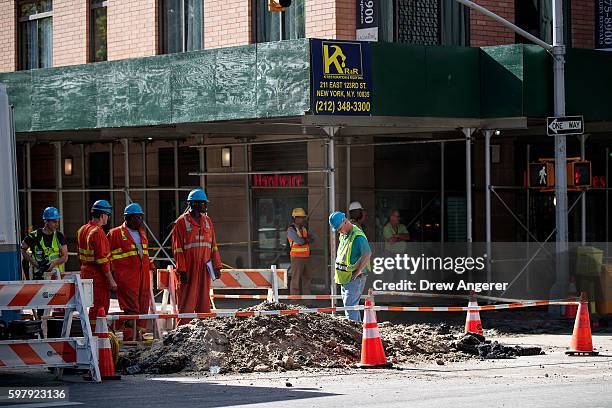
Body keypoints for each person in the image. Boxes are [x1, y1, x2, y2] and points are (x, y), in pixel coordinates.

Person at [172, 188, 222, 324]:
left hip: (205, 268)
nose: (205, 206)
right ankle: (183, 330)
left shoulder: (208, 221)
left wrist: (217, 266)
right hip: (189, 268)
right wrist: (181, 270)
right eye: (203, 203)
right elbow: (178, 249)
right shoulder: (181, 223)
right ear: (193, 204)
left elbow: (214, 245)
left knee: (203, 301)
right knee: (187, 300)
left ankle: (203, 328)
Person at [107, 203, 154, 339]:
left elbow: (141, 253)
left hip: (142, 276)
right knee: (131, 308)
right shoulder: (114, 234)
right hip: (126, 278)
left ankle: (138, 334)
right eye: (137, 217)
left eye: (141, 217)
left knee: (143, 306)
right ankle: (129, 336)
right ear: (128, 218)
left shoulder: (142, 233)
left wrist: (148, 263)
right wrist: (110, 277)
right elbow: (104, 255)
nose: (140, 220)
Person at [77, 200, 117, 327]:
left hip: (85, 272)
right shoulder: (98, 232)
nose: (108, 218)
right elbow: (102, 261)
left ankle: (91, 333)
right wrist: (111, 280)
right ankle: (98, 336)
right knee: (100, 306)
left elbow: (80, 254)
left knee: (91, 306)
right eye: (107, 215)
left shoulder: (82, 230)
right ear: (102, 215)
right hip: (97, 275)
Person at [329, 211, 371, 322]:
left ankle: (355, 334)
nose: (338, 231)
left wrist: (357, 272)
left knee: (350, 306)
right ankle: (359, 332)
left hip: (355, 277)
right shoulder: (344, 234)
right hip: (346, 277)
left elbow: (367, 253)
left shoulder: (357, 236)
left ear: (345, 221)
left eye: (339, 228)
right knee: (351, 306)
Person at [21, 207, 68, 280]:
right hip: (39, 277)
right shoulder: (34, 236)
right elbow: (22, 250)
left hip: (56, 277)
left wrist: (54, 263)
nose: (57, 224)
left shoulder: (59, 236)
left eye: (57, 221)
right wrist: (33, 262)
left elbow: (65, 257)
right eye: (54, 222)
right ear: (46, 221)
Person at [287, 208, 315, 295]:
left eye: (303, 217)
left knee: (307, 279)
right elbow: (300, 241)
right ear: (295, 218)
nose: (303, 219)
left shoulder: (304, 229)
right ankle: (294, 302)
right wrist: (307, 239)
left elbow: (313, 238)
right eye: (301, 217)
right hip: (296, 258)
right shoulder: (291, 230)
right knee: (295, 279)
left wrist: (306, 239)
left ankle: (307, 301)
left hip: (306, 257)